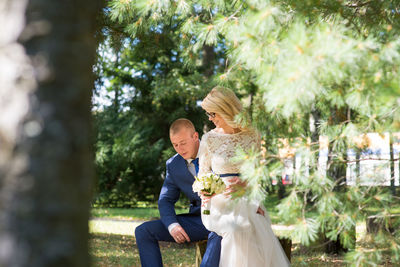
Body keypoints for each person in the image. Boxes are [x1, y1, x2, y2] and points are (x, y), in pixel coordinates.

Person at [198, 86, 290, 267]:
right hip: (217, 202)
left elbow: (257, 173)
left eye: (213, 114)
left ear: (226, 110)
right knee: (235, 228)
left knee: (257, 225)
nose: (210, 119)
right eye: (208, 114)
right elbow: (202, 174)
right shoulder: (209, 139)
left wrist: (246, 184)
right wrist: (207, 192)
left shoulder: (252, 135)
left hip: (247, 198)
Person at [135, 118, 222, 267]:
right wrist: (172, 225)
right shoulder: (173, 165)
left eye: (183, 143)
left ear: (195, 136)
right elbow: (165, 200)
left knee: (220, 231)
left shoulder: (217, 153)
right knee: (143, 231)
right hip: (197, 221)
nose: (179, 149)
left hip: (222, 217)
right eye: (175, 145)